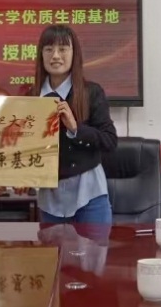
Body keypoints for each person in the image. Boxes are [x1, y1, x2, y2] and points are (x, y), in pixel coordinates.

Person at [28, 25, 118, 224]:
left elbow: (110, 141)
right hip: (49, 198)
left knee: (94, 245)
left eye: (63, 49)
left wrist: (75, 128)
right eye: (49, 49)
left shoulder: (91, 92)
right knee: (51, 246)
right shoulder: (31, 96)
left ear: (74, 54)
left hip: (89, 194)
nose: (55, 56)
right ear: (41, 55)